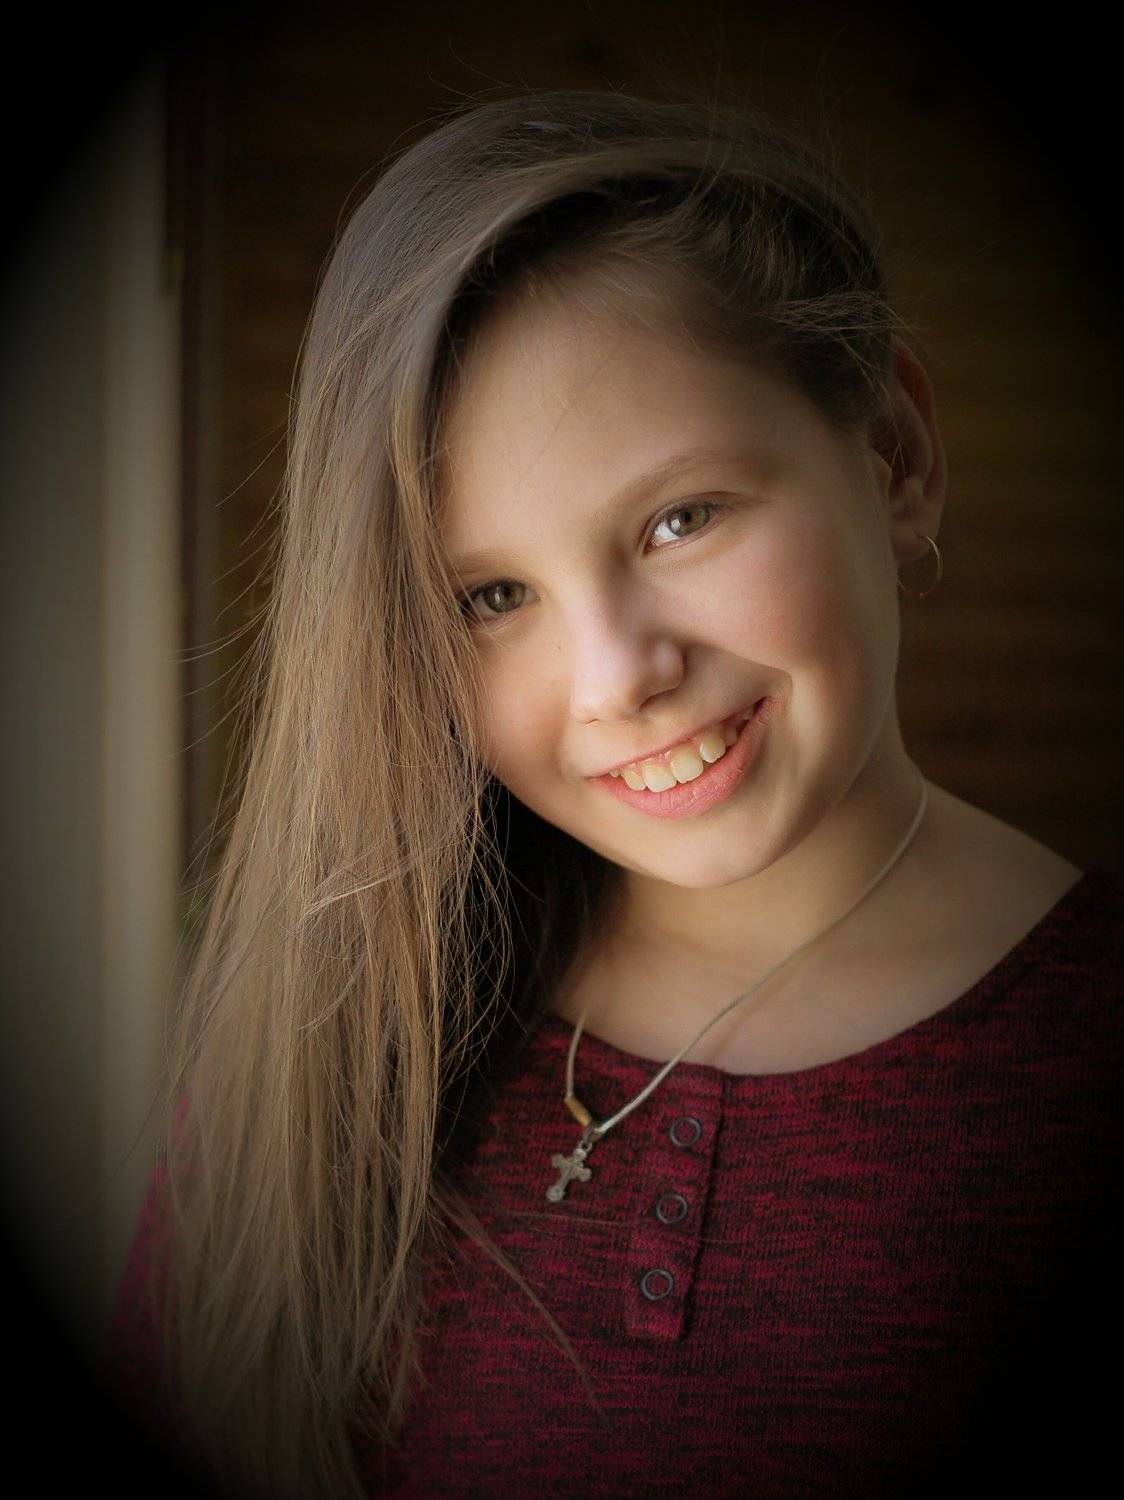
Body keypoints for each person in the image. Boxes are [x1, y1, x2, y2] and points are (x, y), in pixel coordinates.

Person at [103, 88, 1124, 1499]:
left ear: (894, 455)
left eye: (679, 519)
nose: (617, 678)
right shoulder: (342, 1028)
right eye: (493, 596)